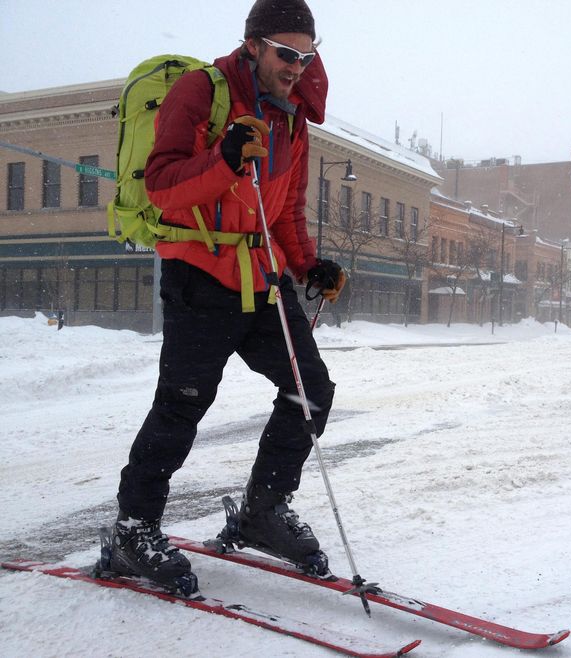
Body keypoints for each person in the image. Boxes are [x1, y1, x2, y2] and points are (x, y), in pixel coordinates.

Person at [108, 0, 345, 592]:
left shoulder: (292, 117)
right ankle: (132, 530)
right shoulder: (201, 91)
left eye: (307, 55)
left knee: (310, 389)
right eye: (287, 53)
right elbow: (162, 186)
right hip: (201, 276)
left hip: (263, 280)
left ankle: (263, 510)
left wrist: (308, 263)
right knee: (183, 404)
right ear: (255, 45)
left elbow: (284, 208)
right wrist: (226, 158)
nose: (297, 66)